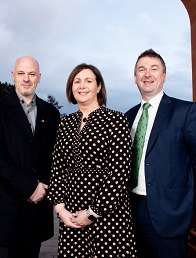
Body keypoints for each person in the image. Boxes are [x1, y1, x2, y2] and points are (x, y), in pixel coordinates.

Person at [125, 48, 196, 258]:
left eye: (154, 69)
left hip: (169, 212)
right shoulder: (128, 116)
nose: (147, 74)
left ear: (163, 76)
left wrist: (180, 185)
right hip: (130, 210)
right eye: (141, 69)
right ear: (135, 78)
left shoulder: (185, 111)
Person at [48, 63, 138, 257]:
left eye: (88, 81)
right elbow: (57, 168)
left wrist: (92, 213)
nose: (82, 86)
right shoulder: (65, 123)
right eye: (77, 81)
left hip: (108, 214)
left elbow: (120, 172)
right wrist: (60, 209)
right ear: (71, 87)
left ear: (98, 87)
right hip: (71, 214)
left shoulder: (116, 120)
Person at [0, 56, 61, 258]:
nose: (26, 79)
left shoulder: (51, 113)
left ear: (39, 77)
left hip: (36, 209)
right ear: (13, 76)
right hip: (6, 209)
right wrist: (29, 187)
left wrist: (43, 184)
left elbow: (55, 154)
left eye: (32, 74)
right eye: (21, 73)